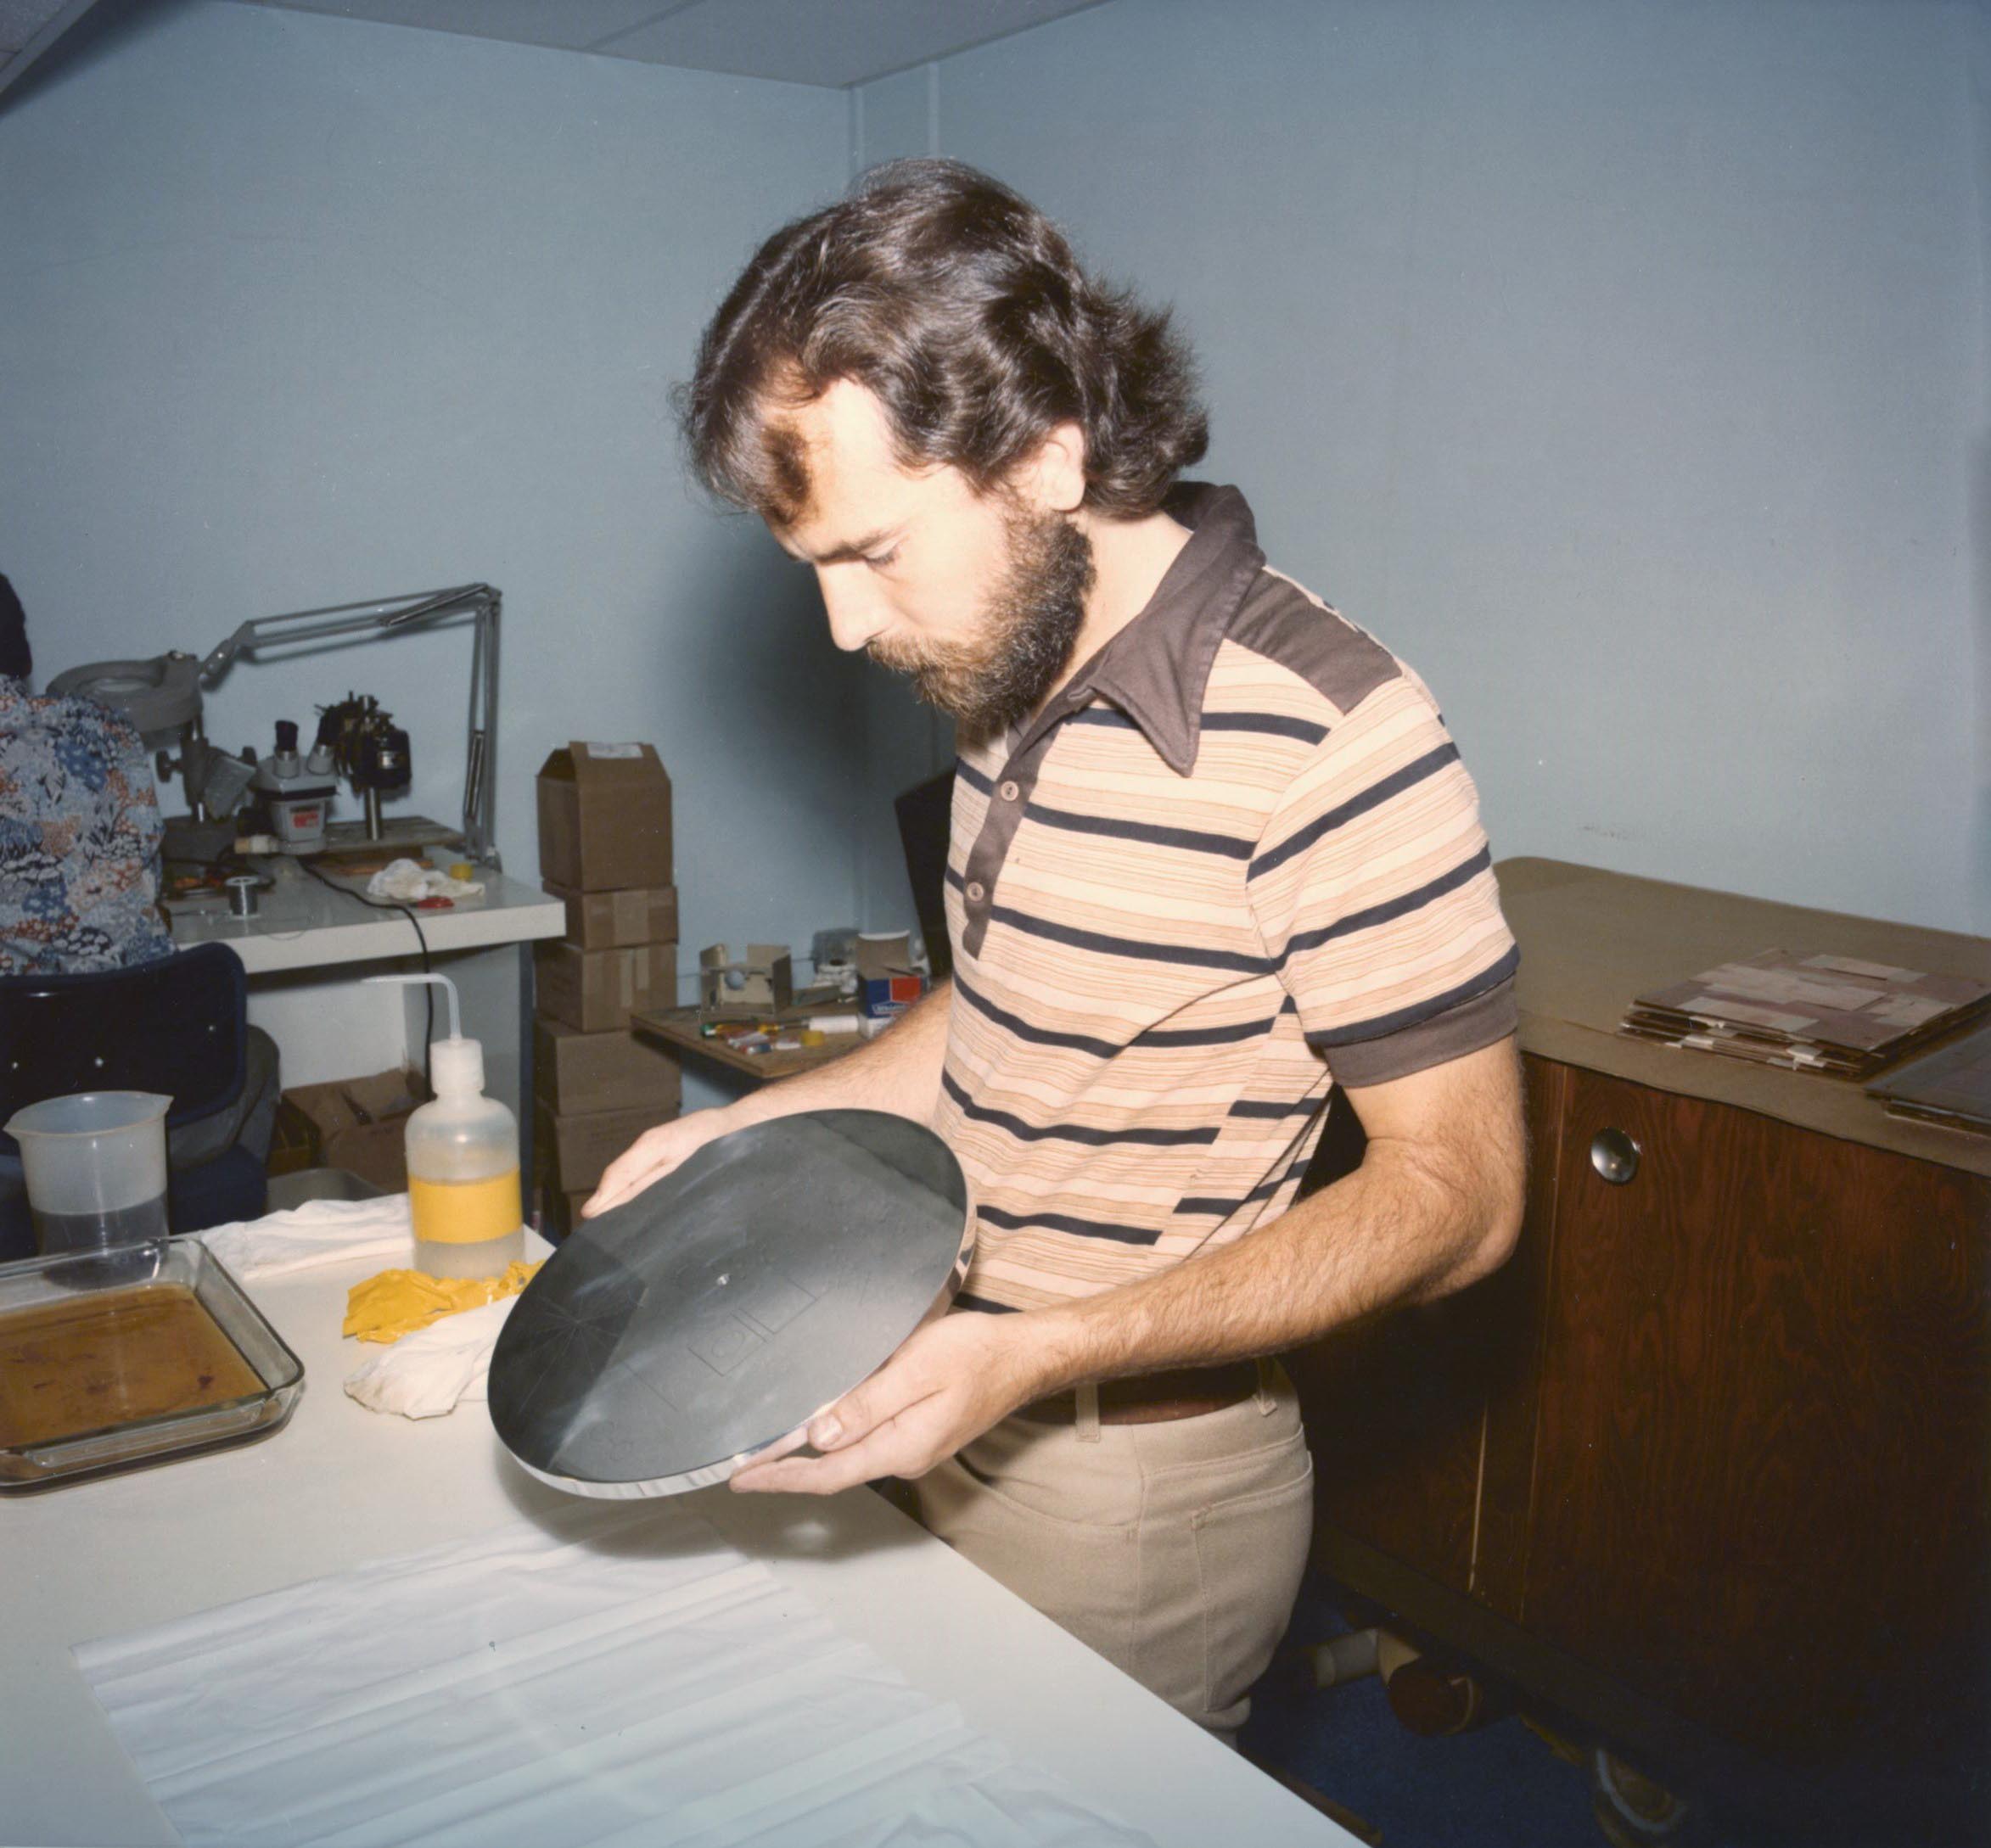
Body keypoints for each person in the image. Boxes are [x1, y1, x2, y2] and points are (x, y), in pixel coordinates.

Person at [589, 161, 1527, 1743]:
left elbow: (1463, 1198)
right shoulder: (1014, 667)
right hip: (947, 1390)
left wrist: (1041, 1352)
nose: (840, 628)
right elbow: (1007, 1004)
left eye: (870, 553)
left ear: (1044, 459)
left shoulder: (1333, 732)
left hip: (1131, 1482)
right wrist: (755, 1129)